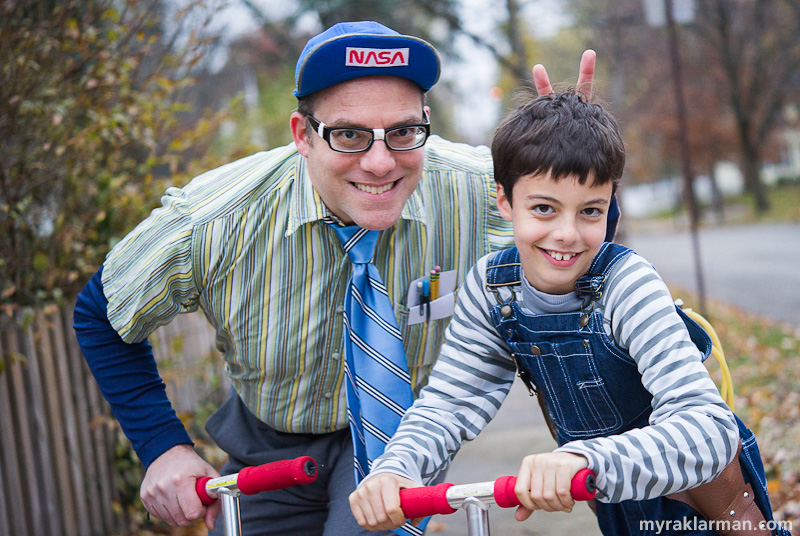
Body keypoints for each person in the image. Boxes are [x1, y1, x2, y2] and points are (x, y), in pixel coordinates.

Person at [72, 20, 610, 536]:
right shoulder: (213, 221)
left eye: (402, 131)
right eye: (349, 135)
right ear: (302, 135)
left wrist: (577, 151)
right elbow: (101, 312)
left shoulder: (477, 191)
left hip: (402, 439)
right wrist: (163, 446)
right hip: (270, 444)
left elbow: (578, 231)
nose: (379, 163)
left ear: (426, 121)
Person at [349, 90, 785, 536]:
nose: (567, 234)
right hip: (609, 497)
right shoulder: (494, 289)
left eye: (590, 211)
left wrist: (586, 457)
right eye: (543, 208)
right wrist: (396, 469)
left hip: (698, 503)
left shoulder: (626, 285)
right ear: (504, 201)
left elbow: (709, 431)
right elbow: (448, 403)